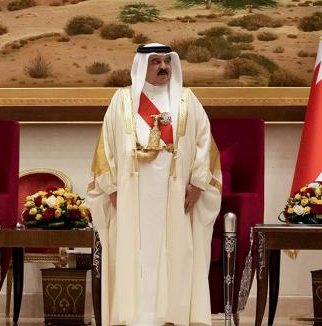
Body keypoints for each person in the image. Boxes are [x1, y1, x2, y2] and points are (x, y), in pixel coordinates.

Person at [87, 43, 222, 326]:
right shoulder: (122, 101)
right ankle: (136, 317)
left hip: (176, 197)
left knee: (176, 253)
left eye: (166, 61)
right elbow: (105, 150)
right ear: (141, 65)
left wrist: (198, 183)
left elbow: (204, 144)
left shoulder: (187, 99)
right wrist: (111, 188)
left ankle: (173, 316)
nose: (163, 67)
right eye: (155, 62)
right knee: (135, 255)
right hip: (131, 196)